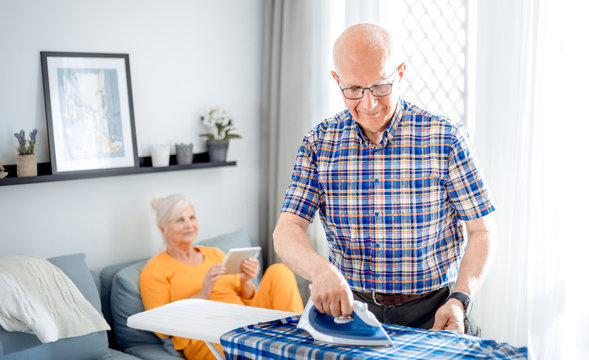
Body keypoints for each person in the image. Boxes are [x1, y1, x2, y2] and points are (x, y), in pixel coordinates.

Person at [273, 23, 496, 336]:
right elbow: (286, 230)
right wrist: (319, 270)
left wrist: (460, 299)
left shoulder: (445, 138)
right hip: (352, 314)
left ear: (400, 73)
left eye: (380, 87)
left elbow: (482, 230)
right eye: (353, 90)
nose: (369, 104)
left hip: (435, 312)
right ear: (337, 81)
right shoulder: (318, 143)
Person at [140, 194, 304, 360]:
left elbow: (246, 300)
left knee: (279, 271)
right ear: (163, 228)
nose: (189, 225)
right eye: (180, 220)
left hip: (247, 319)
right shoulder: (155, 270)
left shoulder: (215, 254)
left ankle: (300, 342)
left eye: (192, 217)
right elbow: (160, 326)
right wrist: (203, 293)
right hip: (207, 334)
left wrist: (246, 280)